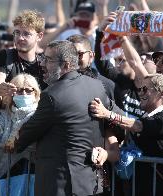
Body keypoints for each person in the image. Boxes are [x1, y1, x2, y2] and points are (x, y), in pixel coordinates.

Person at [13, 40, 112, 196]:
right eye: (42, 58)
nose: (42, 64)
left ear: (66, 65)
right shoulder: (97, 86)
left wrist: (13, 141)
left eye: (48, 60)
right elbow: (115, 120)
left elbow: (25, 135)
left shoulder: (52, 96)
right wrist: (109, 147)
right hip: (90, 184)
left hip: (60, 185)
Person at [89, 73, 163, 196]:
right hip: (140, 186)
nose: (140, 93)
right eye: (139, 89)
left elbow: (138, 126)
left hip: (159, 189)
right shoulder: (145, 116)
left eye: (145, 89)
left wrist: (108, 114)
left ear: (162, 94)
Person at [0, 73, 41, 194]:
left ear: (35, 93)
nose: (24, 94)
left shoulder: (39, 114)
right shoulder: (6, 113)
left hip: (30, 170)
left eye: (28, 90)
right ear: (12, 93)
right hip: (5, 170)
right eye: (19, 90)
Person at [0, 9, 47, 107]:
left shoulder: (45, 63)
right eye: (17, 32)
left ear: (39, 36)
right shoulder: (5, 57)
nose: (20, 38)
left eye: (26, 34)